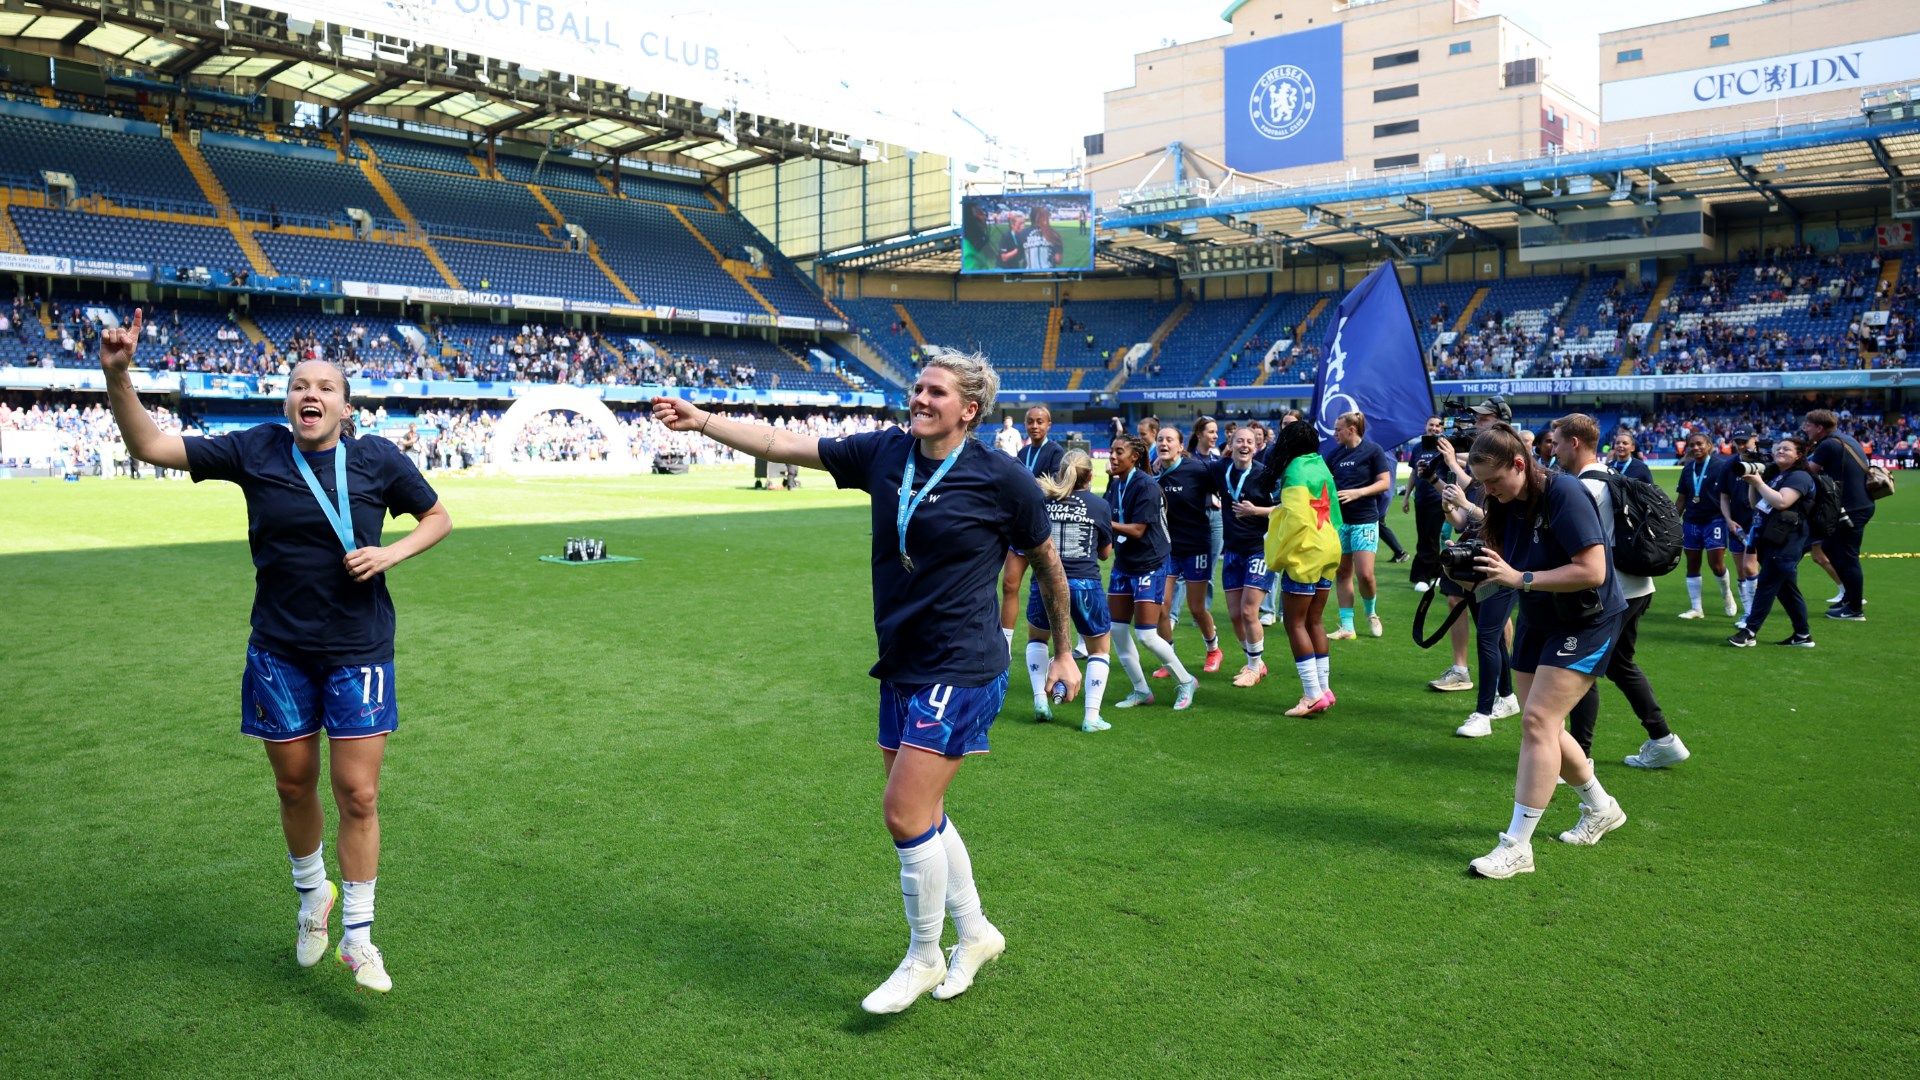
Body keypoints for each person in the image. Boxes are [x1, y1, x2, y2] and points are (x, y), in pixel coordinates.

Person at [653, 350, 1082, 1014]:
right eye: (918, 387)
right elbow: (780, 444)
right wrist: (702, 420)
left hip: (962, 664)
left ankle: (923, 956)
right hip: (903, 660)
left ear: (969, 409)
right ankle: (975, 932)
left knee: (903, 812)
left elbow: (1048, 564)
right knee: (925, 814)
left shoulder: (1003, 479)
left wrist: (1063, 652)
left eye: (936, 392)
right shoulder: (886, 453)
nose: (920, 399)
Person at [99, 309, 452, 993]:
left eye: (325, 386)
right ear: (288, 402)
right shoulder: (256, 450)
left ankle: (359, 937)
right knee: (293, 785)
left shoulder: (378, 459)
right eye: (298, 385)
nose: (309, 394)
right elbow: (150, 445)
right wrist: (119, 376)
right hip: (280, 653)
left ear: (346, 408)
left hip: (359, 650)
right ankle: (312, 896)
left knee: (359, 793)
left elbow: (438, 517)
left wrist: (390, 553)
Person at [1451, 423, 1629, 880]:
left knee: (1537, 722)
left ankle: (1517, 846)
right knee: (1542, 723)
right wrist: (1469, 565)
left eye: (1494, 481)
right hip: (1540, 613)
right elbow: (1502, 561)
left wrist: (1521, 579)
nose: (1489, 491)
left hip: (1587, 617)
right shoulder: (1503, 499)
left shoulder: (1563, 492)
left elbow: (1593, 570)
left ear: (1519, 464)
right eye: (1482, 484)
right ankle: (1601, 807)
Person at [1553, 414, 1691, 771]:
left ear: (1574, 443)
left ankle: (1579, 758)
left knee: (1583, 668)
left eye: (1557, 443)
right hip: (1637, 587)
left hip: (1607, 592)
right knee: (1619, 664)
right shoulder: (1612, 474)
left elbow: (1573, 546)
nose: (1553, 450)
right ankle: (1663, 740)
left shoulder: (1582, 488)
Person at [1024, 450, 1115, 732]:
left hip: (1045, 583)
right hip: (1085, 584)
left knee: (1037, 639)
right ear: (1090, 475)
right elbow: (1105, 553)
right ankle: (1091, 717)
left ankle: (1040, 700)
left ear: (1060, 472)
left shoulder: (1043, 501)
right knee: (1099, 649)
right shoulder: (1099, 505)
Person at [1104, 433, 1197, 711]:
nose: (1112, 456)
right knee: (1117, 629)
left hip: (1150, 562)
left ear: (1134, 457)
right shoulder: (1116, 484)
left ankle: (1186, 681)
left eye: (1119, 452)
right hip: (1124, 563)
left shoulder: (1146, 486)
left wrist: (1102, 522)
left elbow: (1137, 529)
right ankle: (1141, 690)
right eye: (1111, 451)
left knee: (1146, 634)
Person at [1264, 421, 1342, 716]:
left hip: (1305, 552)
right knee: (1315, 621)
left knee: (1295, 623)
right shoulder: (1321, 464)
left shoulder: (1294, 470)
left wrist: (1279, 554)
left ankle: (1311, 694)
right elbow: (1335, 512)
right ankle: (1324, 689)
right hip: (1328, 545)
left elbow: (1295, 520)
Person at [1728, 437, 1818, 649]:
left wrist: (1759, 483)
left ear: (1799, 455)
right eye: (1778, 448)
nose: (1780, 451)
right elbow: (1756, 504)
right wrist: (1754, 483)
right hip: (1772, 538)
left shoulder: (1800, 476)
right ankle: (1803, 635)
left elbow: (1782, 501)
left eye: (1787, 449)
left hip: (1787, 541)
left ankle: (1749, 632)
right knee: (1787, 590)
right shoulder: (1777, 475)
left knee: (1766, 585)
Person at [1152, 426, 1223, 675]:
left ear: (1180, 446)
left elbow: (1223, 487)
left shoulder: (1197, 470)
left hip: (1196, 547)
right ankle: (1169, 659)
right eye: (1160, 439)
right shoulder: (1154, 473)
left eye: (1169, 439)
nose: (1164, 443)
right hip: (1168, 549)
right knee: (1161, 607)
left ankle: (1213, 649)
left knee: (1196, 608)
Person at [996, 406, 1067, 650]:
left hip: (1042, 529)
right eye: (1030, 421)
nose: (1034, 426)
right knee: (1009, 585)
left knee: (1051, 589)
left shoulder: (1056, 452)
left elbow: (1056, 487)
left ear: (1049, 425)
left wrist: (1025, 487)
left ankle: (1073, 641)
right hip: (1018, 527)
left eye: (1040, 421)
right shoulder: (1023, 452)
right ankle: (1005, 646)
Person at [1212, 427, 1276, 686]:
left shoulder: (1265, 475)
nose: (1245, 445)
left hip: (1259, 550)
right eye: (1240, 441)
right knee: (1235, 615)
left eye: (1250, 441)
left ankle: (1253, 667)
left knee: (1249, 611)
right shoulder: (1220, 469)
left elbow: (1286, 508)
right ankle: (1255, 662)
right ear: (1231, 443)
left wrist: (1255, 511)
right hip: (1233, 551)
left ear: (1256, 447)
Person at [1324, 412, 1394, 639]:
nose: (1335, 434)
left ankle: (1371, 613)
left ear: (1351, 430)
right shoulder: (1334, 455)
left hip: (1365, 520)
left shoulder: (1373, 450)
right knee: (1343, 572)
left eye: (1338, 429)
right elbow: (1326, 485)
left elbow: (1384, 483)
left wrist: (1358, 493)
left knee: (1365, 574)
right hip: (1340, 522)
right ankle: (1347, 627)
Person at [1803, 409, 1874, 621]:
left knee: (1847, 556)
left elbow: (1807, 473)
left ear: (1819, 428)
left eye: (1808, 425)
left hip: (1850, 509)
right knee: (1830, 548)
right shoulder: (1844, 439)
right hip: (1857, 505)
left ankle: (1855, 609)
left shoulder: (1828, 445)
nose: (1805, 429)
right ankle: (1849, 598)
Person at [1674, 432, 1738, 620]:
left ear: (1709, 445)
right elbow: (1682, 498)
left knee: (1716, 564)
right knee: (1692, 564)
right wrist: (1672, 522)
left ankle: (1727, 595)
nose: (1696, 448)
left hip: (1715, 520)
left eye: (1699, 444)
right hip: (1691, 521)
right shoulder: (1688, 469)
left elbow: (1730, 495)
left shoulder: (1721, 466)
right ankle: (1696, 608)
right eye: (1692, 445)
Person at [1720, 429, 1761, 624]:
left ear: (1755, 439)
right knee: (1742, 572)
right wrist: (1728, 520)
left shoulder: (1766, 462)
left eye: (1745, 441)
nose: (1741, 445)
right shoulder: (1729, 465)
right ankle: (1749, 611)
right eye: (1738, 441)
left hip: (1760, 524)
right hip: (1737, 525)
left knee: (1751, 568)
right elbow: (1724, 496)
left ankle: (1753, 613)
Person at [1404, 416, 1447, 591]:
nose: (1434, 428)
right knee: (1424, 537)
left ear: (1442, 429)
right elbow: (1414, 474)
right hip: (1420, 499)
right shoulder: (1417, 447)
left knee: (1431, 537)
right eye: (1431, 425)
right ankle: (1437, 573)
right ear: (1426, 426)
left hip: (1438, 499)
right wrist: (1406, 497)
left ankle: (1423, 576)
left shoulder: (1445, 447)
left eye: (1438, 426)